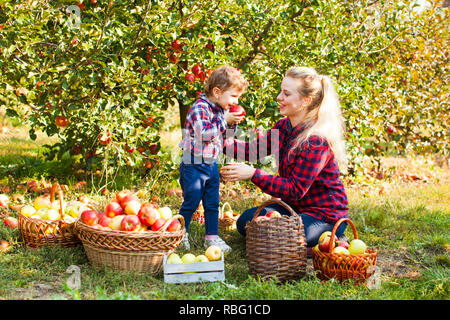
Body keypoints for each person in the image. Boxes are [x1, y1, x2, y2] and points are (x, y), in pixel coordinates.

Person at [220, 66, 349, 254]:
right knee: (246, 221)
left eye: (286, 94)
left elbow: (294, 190)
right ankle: (310, 243)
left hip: (323, 216)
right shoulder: (284, 126)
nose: (279, 97)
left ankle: (332, 236)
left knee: (278, 234)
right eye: (281, 92)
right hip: (294, 210)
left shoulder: (315, 140)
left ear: (306, 100)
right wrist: (223, 129)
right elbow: (254, 150)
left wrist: (253, 174)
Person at [178, 65, 248, 252]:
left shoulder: (220, 110)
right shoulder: (200, 108)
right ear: (217, 92)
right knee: (191, 201)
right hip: (193, 163)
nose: (236, 101)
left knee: (212, 202)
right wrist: (224, 120)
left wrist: (231, 124)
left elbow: (225, 137)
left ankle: (211, 237)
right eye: (233, 96)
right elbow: (205, 134)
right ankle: (180, 233)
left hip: (211, 163)